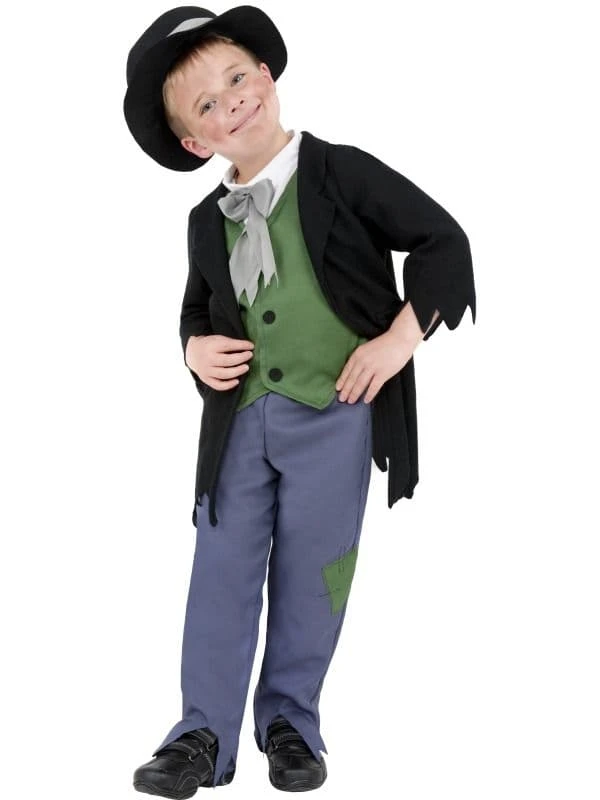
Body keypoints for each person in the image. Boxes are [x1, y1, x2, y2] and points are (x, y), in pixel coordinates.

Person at [123, 5, 476, 796]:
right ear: (195, 141)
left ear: (267, 75)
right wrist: (193, 348)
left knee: (317, 572)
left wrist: (396, 342)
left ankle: (290, 721)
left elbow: (443, 242)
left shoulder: (339, 172)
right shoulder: (205, 221)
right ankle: (201, 733)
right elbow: (197, 309)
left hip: (336, 415)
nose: (231, 102)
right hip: (241, 425)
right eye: (206, 104)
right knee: (221, 570)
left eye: (236, 78)